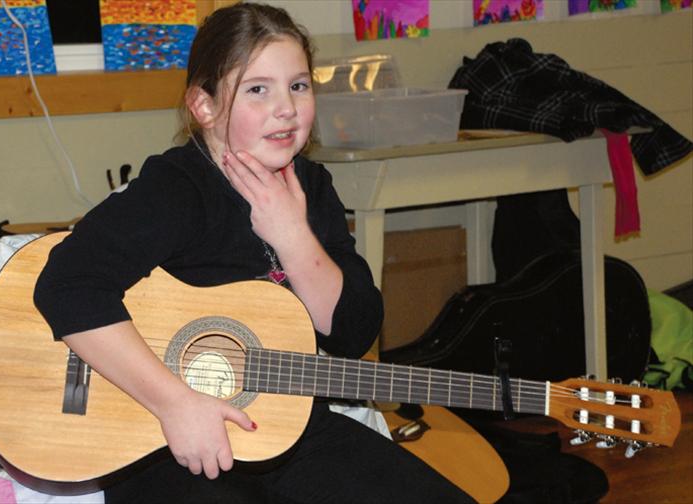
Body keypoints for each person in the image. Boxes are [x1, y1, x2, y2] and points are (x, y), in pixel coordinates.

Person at [34, 3, 473, 503]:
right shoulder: (178, 188)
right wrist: (177, 403)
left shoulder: (312, 186)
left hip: (290, 431)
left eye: (299, 85)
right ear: (204, 106)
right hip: (169, 443)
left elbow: (353, 332)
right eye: (258, 89)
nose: (286, 107)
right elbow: (66, 284)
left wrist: (293, 235)